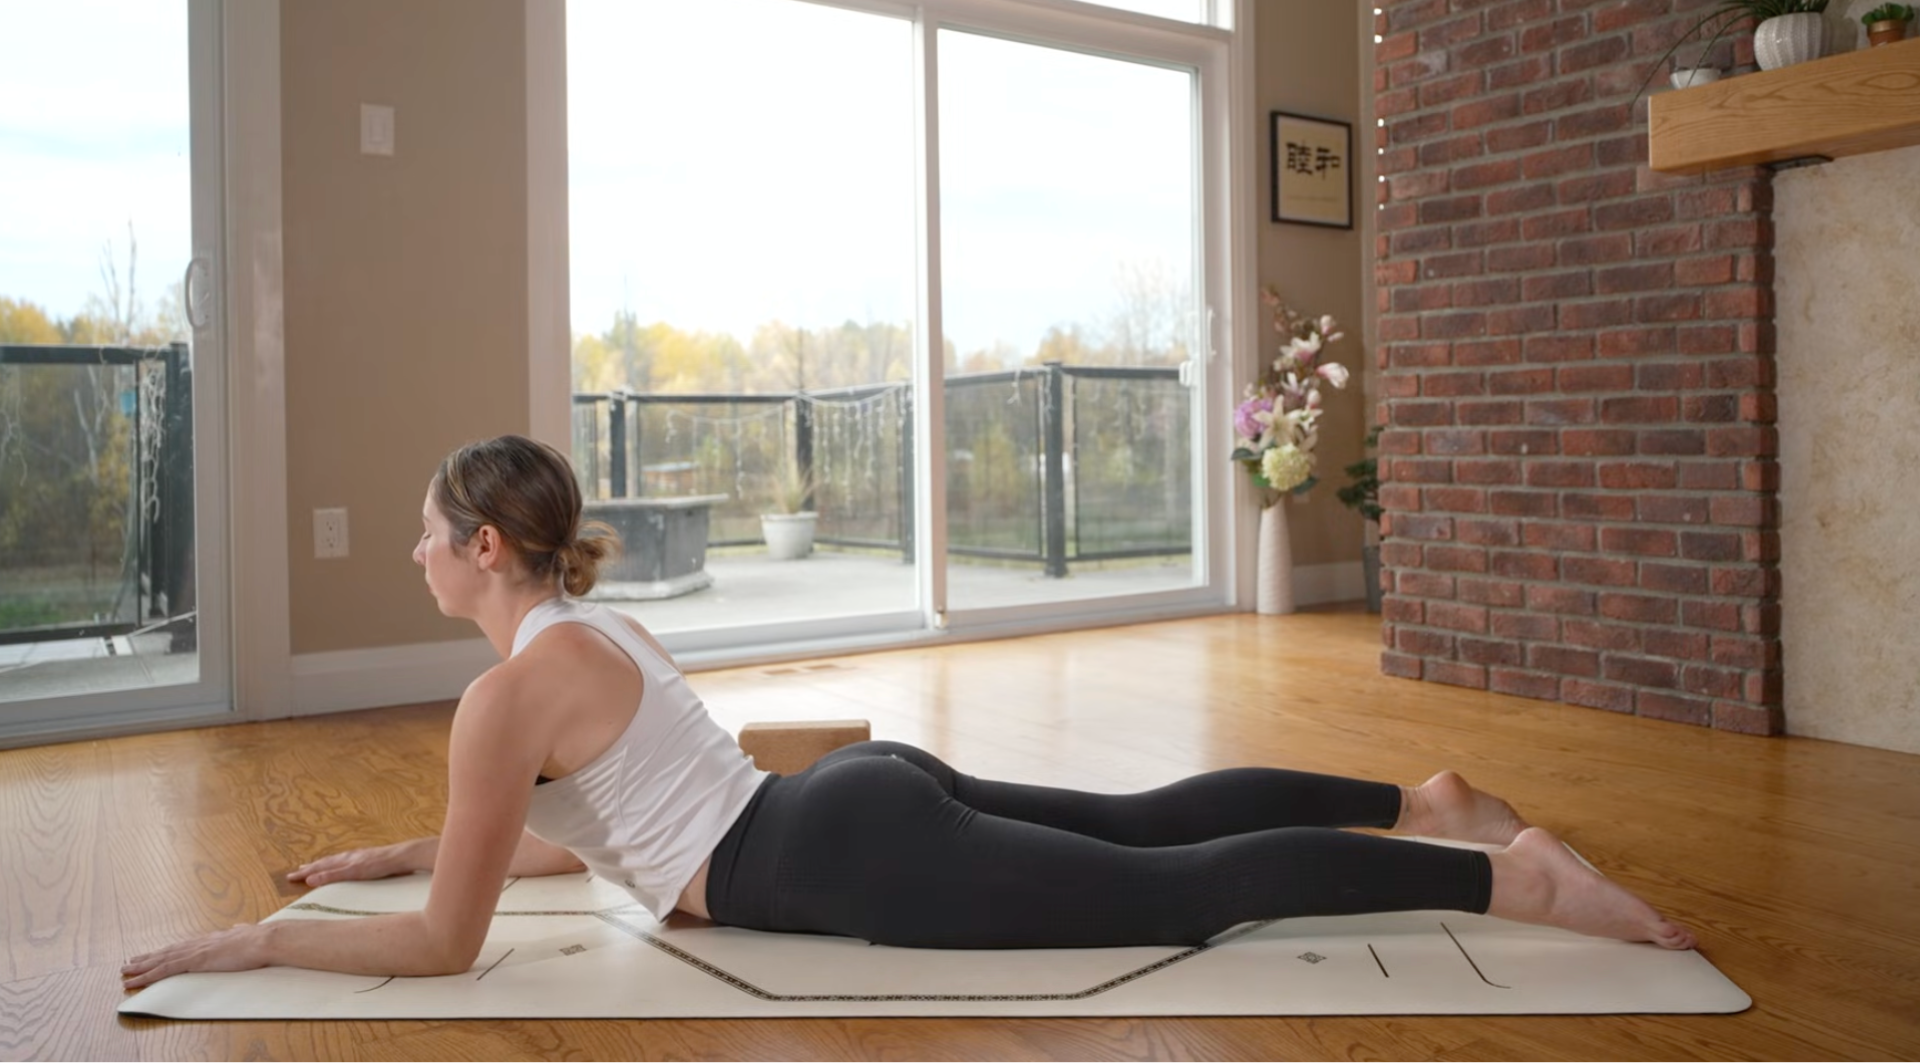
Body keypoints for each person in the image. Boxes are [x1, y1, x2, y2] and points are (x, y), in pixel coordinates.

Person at [121, 434, 1694, 989]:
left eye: (421, 528)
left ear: (481, 547)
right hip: (851, 803)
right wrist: (404, 848)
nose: (407, 550)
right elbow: (604, 843)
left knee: (1182, 898)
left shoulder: (499, 699)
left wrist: (252, 942)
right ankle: (1416, 797)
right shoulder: (598, 632)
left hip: (836, 865)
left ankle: (1518, 877)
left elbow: (448, 948)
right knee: (1150, 827)